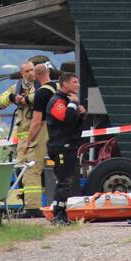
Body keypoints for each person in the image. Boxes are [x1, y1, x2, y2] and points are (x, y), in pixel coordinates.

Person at [16, 62, 55, 217]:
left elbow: (36, 121)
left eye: (32, 71)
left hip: (42, 132)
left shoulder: (41, 93)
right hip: (56, 131)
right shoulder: (56, 88)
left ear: (36, 76)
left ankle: (32, 208)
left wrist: (27, 143)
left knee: (32, 168)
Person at [46, 72, 84, 225]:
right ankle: (58, 216)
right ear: (65, 84)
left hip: (70, 146)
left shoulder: (68, 101)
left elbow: (74, 121)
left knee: (67, 182)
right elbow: (67, 119)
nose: (78, 85)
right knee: (63, 181)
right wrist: (74, 105)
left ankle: (63, 215)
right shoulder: (57, 101)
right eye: (75, 82)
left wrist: (81, 113)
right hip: (61, 147)